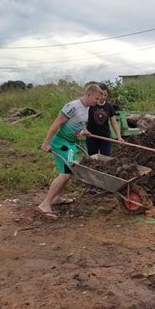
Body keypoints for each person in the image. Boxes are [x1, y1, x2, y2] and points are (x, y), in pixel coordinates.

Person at [37, 83, 102, 219]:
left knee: (69, 172)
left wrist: (83, 130)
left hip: (71, 143)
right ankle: (45, 203)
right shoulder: (73, 106)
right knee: (65, 174)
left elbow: (81, 121)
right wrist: (46, 142)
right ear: (88, 94)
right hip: (61, 142)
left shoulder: (87, 107)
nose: (97, 102)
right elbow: (57, 123)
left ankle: (57, 198)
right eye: (96, 98)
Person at [85, 82, 124, 156]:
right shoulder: (91, 105)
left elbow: (114, 123)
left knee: (106, 156)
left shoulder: (109, 107)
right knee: (93, 157)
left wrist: (119, 137)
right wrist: (85, 129)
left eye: (105, 95)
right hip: (92, 136)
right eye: (101, 94)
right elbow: (83, 118)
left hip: (105, 137)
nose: (103, 97)